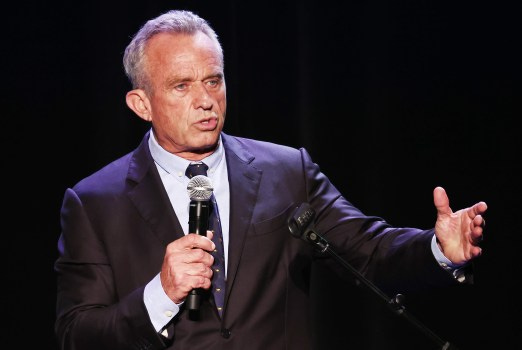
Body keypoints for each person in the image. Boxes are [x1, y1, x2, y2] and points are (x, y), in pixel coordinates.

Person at [54, 9, 487, 350]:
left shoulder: (286, 171)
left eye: (213, 80)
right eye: (181, 86)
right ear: (141, 104)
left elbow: (369, 251)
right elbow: (78, 333)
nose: (206, 100)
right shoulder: (94, 202)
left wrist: (437, 248)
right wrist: (161, 294)